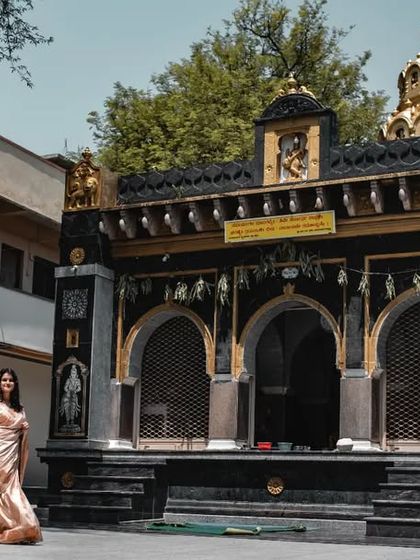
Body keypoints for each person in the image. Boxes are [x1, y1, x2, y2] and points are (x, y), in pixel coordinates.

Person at [0, 368, 42, 544]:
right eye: (3, 380)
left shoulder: (20, 408)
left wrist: (24, 430)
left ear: (15, 384)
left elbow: (21, 432)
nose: (7, 383)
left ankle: (20, 527)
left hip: (11, 455)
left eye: (10, 380)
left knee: (12, 490)